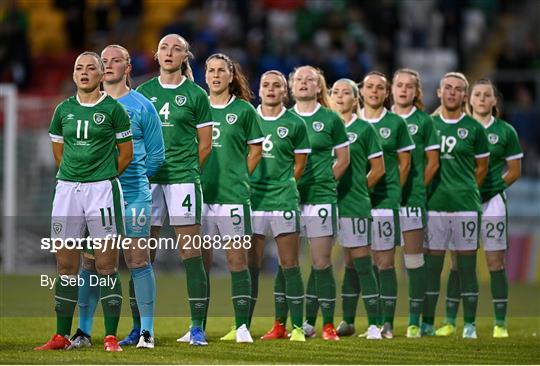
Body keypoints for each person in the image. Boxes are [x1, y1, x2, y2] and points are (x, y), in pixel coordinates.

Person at [67, 45, 165, 350]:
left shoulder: (142, 106)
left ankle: (146, 331)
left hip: (134, 194)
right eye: (104, 61)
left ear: (128, 67)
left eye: (115, 61)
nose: (108, 65)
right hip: (95, 197)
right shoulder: (87, 106)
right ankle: (83, 332)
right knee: (90, 262)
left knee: (138, 259)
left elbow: (157, 154)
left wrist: (132, 179)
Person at [36, 51, 133, 351]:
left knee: (106, 266)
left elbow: (126, 153)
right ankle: (61, 336)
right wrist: (74, 177)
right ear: (74, 74)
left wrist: (101, 177)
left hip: (102, 191)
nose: (84, 72)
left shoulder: (115, 110)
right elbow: (58, 153)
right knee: (66, 266)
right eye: (79, 68)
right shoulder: (62, 110)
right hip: (66, 191)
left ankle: (110, 336)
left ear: (103, 75)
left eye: (92, 68)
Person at [177, 53, 263, 344]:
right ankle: (196, 325)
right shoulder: (195, 106)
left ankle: (241, 327)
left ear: (231, 75)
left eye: (220, 71)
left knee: (237, 261)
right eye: (210, 70)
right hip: (199, 194)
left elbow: (256, 150)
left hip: (232, 197)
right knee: (199, 263)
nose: (214, 75)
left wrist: (240, 176)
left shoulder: (244, 110)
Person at [136, 34, 213, 346]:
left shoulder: (196, 94)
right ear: (156, 55)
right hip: (148, 180)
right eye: (164, 48)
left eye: (176, 48)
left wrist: (188, 169)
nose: (169, 53)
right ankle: (140, 329)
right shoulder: (143, 92)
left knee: (190, 252)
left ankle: (197, 327)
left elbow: (205, 144)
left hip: (182, 180)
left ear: (185, 56)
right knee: (142, 255)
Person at [440, 78, 521, 338]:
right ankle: (452, 321)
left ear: (495, 101)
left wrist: (493, 188)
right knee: (457, 262)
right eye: (478, 95)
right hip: (462, 202)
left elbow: (515, 170)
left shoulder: (506, 131)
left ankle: (499, 324)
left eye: (487, 95)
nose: (482, 99)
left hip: (492, 203)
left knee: (495, 262)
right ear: (469, 99)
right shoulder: (457, 127)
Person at [421, 72, 490, 339]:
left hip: (465, 206)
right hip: (434, 205)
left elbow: (482, 168)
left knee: (466, 266)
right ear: (439, 93)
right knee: (433, 267)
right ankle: (427, 323)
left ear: (465, 95)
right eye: (447, 88)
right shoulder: (428, 125)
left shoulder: (474, 128)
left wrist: (465, 188)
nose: (452, 93)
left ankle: (469, 325)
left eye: (458, 89)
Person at [287, 66, 349, 341]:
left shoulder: (331, 119)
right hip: (288, 198)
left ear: (318, 87)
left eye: (309, 80)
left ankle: (327, 325)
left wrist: (325, 180)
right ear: (291, 86)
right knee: (289, 263)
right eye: (298, 79)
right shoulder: (284, 119)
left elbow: (343, 159)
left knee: (321, 262)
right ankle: (297, 324)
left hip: (321, 198)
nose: (303, 83)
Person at [248, 70, 311, 342]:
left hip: (283, 199)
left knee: (289, 264)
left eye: (277, 85)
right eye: (266, 85)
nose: (271, 89)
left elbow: (300, 164)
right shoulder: (247, 118)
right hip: (253, 200)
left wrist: (283, 184)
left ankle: (293, 326)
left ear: (284, 91)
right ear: (259, 90)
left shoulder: (295, 123)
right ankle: (242, 327)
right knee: (250, 265)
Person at [358, 71, 414, 339]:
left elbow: (405, 163)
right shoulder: (351, 121)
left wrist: (395, 193)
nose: (374, 92)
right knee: (358, 262)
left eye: (380, 88)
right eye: (369, 87)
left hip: (384, 201)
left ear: (386, 92)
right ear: (362, 91)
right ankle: (361, 321)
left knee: (385, 262)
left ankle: (387, 323)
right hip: (356, 202)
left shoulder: (395, 123)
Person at [330, 79, 385, 340]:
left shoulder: (364, 129)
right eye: (335, 92)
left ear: (356, 99)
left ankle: (375, 324)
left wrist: (361, 189)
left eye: (346, 93)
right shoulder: (323, 125)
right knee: (332, 264)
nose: (340, 97)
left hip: (353, 204)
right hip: (324, 203)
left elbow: (379, 168)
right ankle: (346, 321)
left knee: (362, 262)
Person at [390, 69, 440, 338]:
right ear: (392, 89)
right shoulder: (379, 119)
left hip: (411, 200)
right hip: (382, 201)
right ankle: (383, 321)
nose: (404, 90)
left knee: (413, 260)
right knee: (382, 263)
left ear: (416, 92)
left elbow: (433, 162)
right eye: (399, 85)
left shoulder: (424, 122)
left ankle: (414, 321)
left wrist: (418, 188)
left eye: (410, 86)